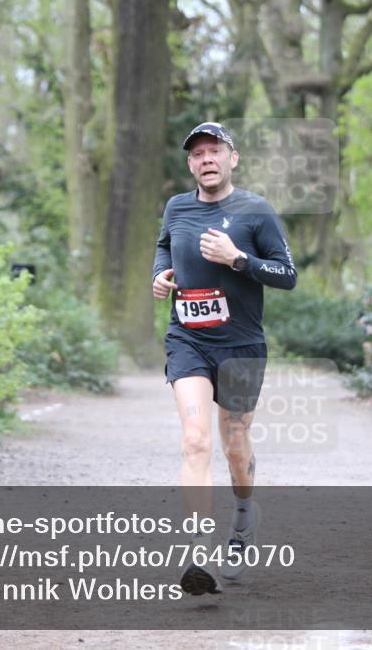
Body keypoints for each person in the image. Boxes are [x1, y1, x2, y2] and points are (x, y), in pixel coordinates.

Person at [152, 122, 297, 595]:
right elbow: (163, 246)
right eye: (197, 154)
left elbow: (287, 274)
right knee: (195, 440)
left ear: (233, 158)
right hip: (188, 340)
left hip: (241, 346)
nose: (206, 160)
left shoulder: (256, 211)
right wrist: (160, 275)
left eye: (214, 151)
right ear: (190, 164)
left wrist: (238, 260)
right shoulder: (177, 207)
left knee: (235, 443)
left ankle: (242, 518)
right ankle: (197, 549)